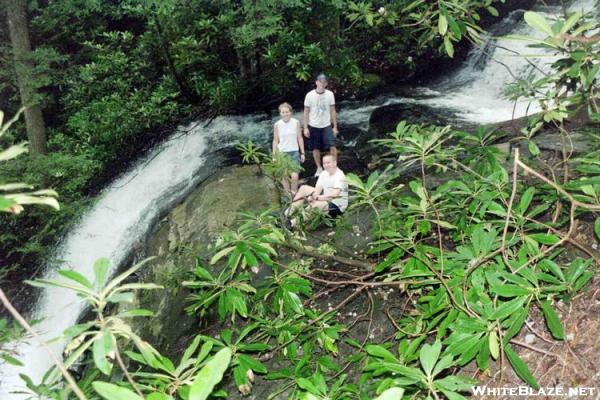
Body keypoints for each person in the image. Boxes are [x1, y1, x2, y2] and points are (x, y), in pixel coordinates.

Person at [291, 154, 348, 220]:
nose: (326, 165)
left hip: (337, 206)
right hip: (325, 198)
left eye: (328, 163)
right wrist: (312, 196)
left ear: (335, 163)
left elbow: (334, 195)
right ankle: (288, 213)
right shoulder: (324, 173)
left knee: (316, 204)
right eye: (324, 163)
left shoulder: (339, 176)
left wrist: (317, 198)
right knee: (304, 188)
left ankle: (293, 222)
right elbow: (317, 189)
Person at [303, 73, 338, 177]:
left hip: (326, 125)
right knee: (315, 148)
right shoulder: (309, 95)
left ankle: (334, 166)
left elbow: (333, 111)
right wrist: (305, 128)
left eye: (324, 82)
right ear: (316, 82)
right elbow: (306, 112)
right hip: (313, 125)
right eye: (320, 82)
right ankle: (319, 167)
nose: (322, 84)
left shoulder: (330, 94)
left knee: (332, 146)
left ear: (326, 83)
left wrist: (335, 127)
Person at [272, 102, 305, 194]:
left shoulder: (296, 122)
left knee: (295, 176)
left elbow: (299, 137)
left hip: (294, 151)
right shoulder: (277, 125)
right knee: (284, 175)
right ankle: (287, 194)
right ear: (280, 113)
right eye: (283, 112)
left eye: (287, 112)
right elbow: (275, 141)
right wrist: (274, 155)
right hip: (282, 153)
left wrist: (302, 152)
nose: (285, 114)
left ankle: (294, 192)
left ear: (290, 112)